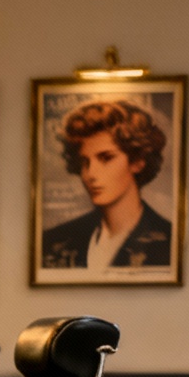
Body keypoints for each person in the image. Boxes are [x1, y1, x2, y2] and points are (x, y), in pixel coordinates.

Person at [40, 99, 173, 270]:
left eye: (106, 158)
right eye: (84, 162)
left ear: (137, 161)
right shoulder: (53, 241)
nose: (91, 174)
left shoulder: (169, 242)